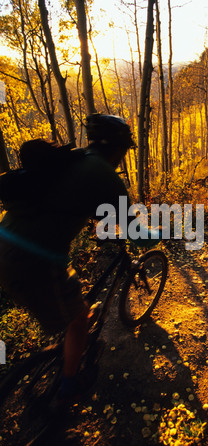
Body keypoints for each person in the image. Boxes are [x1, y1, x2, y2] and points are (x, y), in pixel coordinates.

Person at [0, 114, 139, 402]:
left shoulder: (74, 159)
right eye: (125, 150)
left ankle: (66, 351)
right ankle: (69, 386)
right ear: (119, 148)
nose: (124, 156)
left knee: (70, 290)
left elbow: (70, 203)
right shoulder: (105, 175)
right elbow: (135, 231)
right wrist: (163, 232)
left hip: (7, 243)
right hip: (30, 260)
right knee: (78, 320)